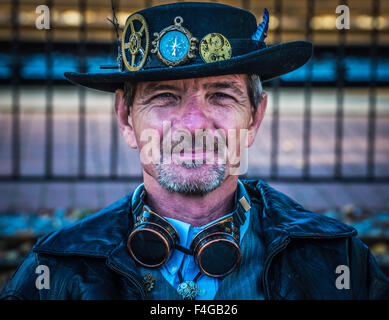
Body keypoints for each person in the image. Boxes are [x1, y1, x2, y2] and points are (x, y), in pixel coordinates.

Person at [1, 2, 388, 300]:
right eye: (165, 96)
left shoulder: (338, 260)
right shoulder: (57, 270)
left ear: (254, 118)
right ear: (125, 117)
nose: (193, 125)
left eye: (221, 95)